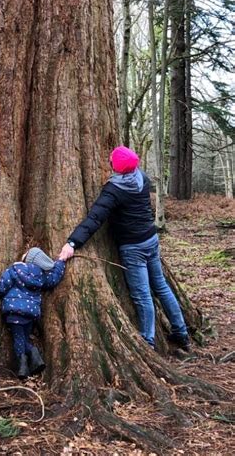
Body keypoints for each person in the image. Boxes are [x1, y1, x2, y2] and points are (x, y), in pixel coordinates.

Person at [60, 145, 189, 350]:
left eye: (112, 159)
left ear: (116, 166)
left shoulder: (114, 190)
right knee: (161, 286)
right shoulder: (141, 178)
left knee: (143, 294)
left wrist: (73, 242)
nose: (109, 160)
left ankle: (148, 341)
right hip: (150, 239)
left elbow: (95, 218)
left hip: (134, 247)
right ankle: (181, 331)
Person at [0, 247, 66, 379]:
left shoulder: (14, 270)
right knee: (24, 337)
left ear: (28, 258)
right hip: (31, 312)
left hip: (14, 311)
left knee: (18, 338)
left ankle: (23, 367)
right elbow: (54, 278)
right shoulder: (42, 275)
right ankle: (35, 356)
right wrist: (60, 262)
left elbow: (1, 288)